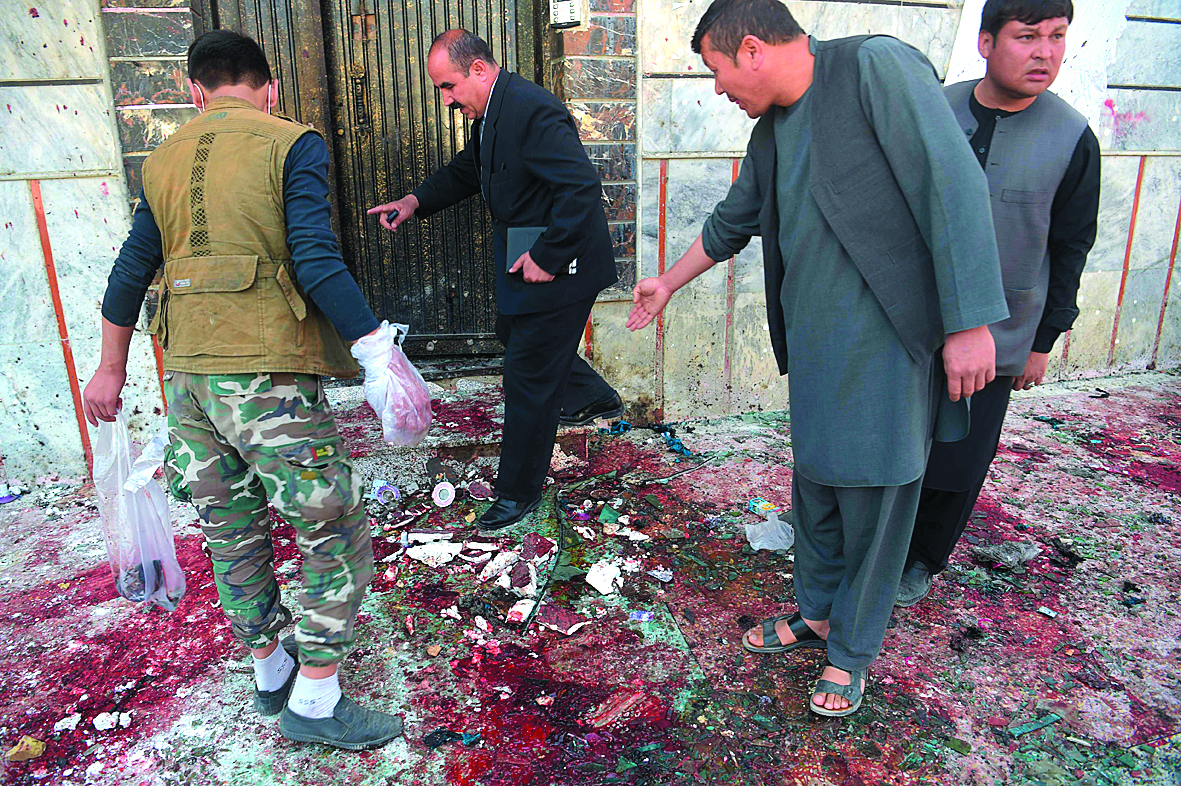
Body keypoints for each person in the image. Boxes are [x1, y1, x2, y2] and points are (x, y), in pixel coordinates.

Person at [627, 0, 1010, 716]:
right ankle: (820, 613)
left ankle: (850, 652)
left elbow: (950, 182)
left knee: (874, 494)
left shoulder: (873, 66)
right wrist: (668, 282)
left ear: (750, 50)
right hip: (815, 344)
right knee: (817, 485)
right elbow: (734, 217)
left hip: (887, 341)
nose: (716, 90)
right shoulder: (775, 127)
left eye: (714, 72)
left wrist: (971, 323)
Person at [82, 30, 404, 749]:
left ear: (194, 92)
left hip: (188, 378)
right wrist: (374, 349)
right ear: (271, 88)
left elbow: (131, 270)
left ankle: (270, 669)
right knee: (331, 526)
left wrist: (109, 368)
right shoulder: (291, 142)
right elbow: (316, 258)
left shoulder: (161, 158)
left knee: (232, 529)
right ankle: (316, 702)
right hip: (266, 378)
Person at [368, 30, 622, 531]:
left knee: (527, 378)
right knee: (513, 334)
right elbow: (469, 171)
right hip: (530, 253)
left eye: (448, 87)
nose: (445, 100)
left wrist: (547, 257)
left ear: (479, 70)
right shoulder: (490, 112)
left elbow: (581, 188)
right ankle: (594, 397)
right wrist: (414, 202)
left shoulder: (533, 110)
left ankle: (516, 493)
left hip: (561, 261)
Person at [896, 0, 1099, 607]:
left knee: (958, 458)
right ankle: (871, 542)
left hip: (1000, 333)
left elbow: (1069, 249)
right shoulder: (935, 108)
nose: (1045, 52)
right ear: (986, 43)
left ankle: (921, 558)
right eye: (1027, 36)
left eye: (1058, 37)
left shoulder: (1071, 137)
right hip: (912, 321)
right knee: (894, 442)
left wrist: (1041, 343)